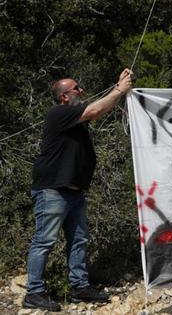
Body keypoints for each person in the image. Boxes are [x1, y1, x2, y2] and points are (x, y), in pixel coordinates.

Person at [22, 69, 133, 311]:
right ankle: (34, 292)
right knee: (44, 241)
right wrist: (119, 89)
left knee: (78, 240)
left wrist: (118, 89)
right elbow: (95, 109)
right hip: (52, 190)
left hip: (73, 192)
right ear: (64, 97)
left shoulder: (74, 119)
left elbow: (100, 109)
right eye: (77, 88)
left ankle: (79, 287)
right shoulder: (59, 114)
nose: (81, 91)